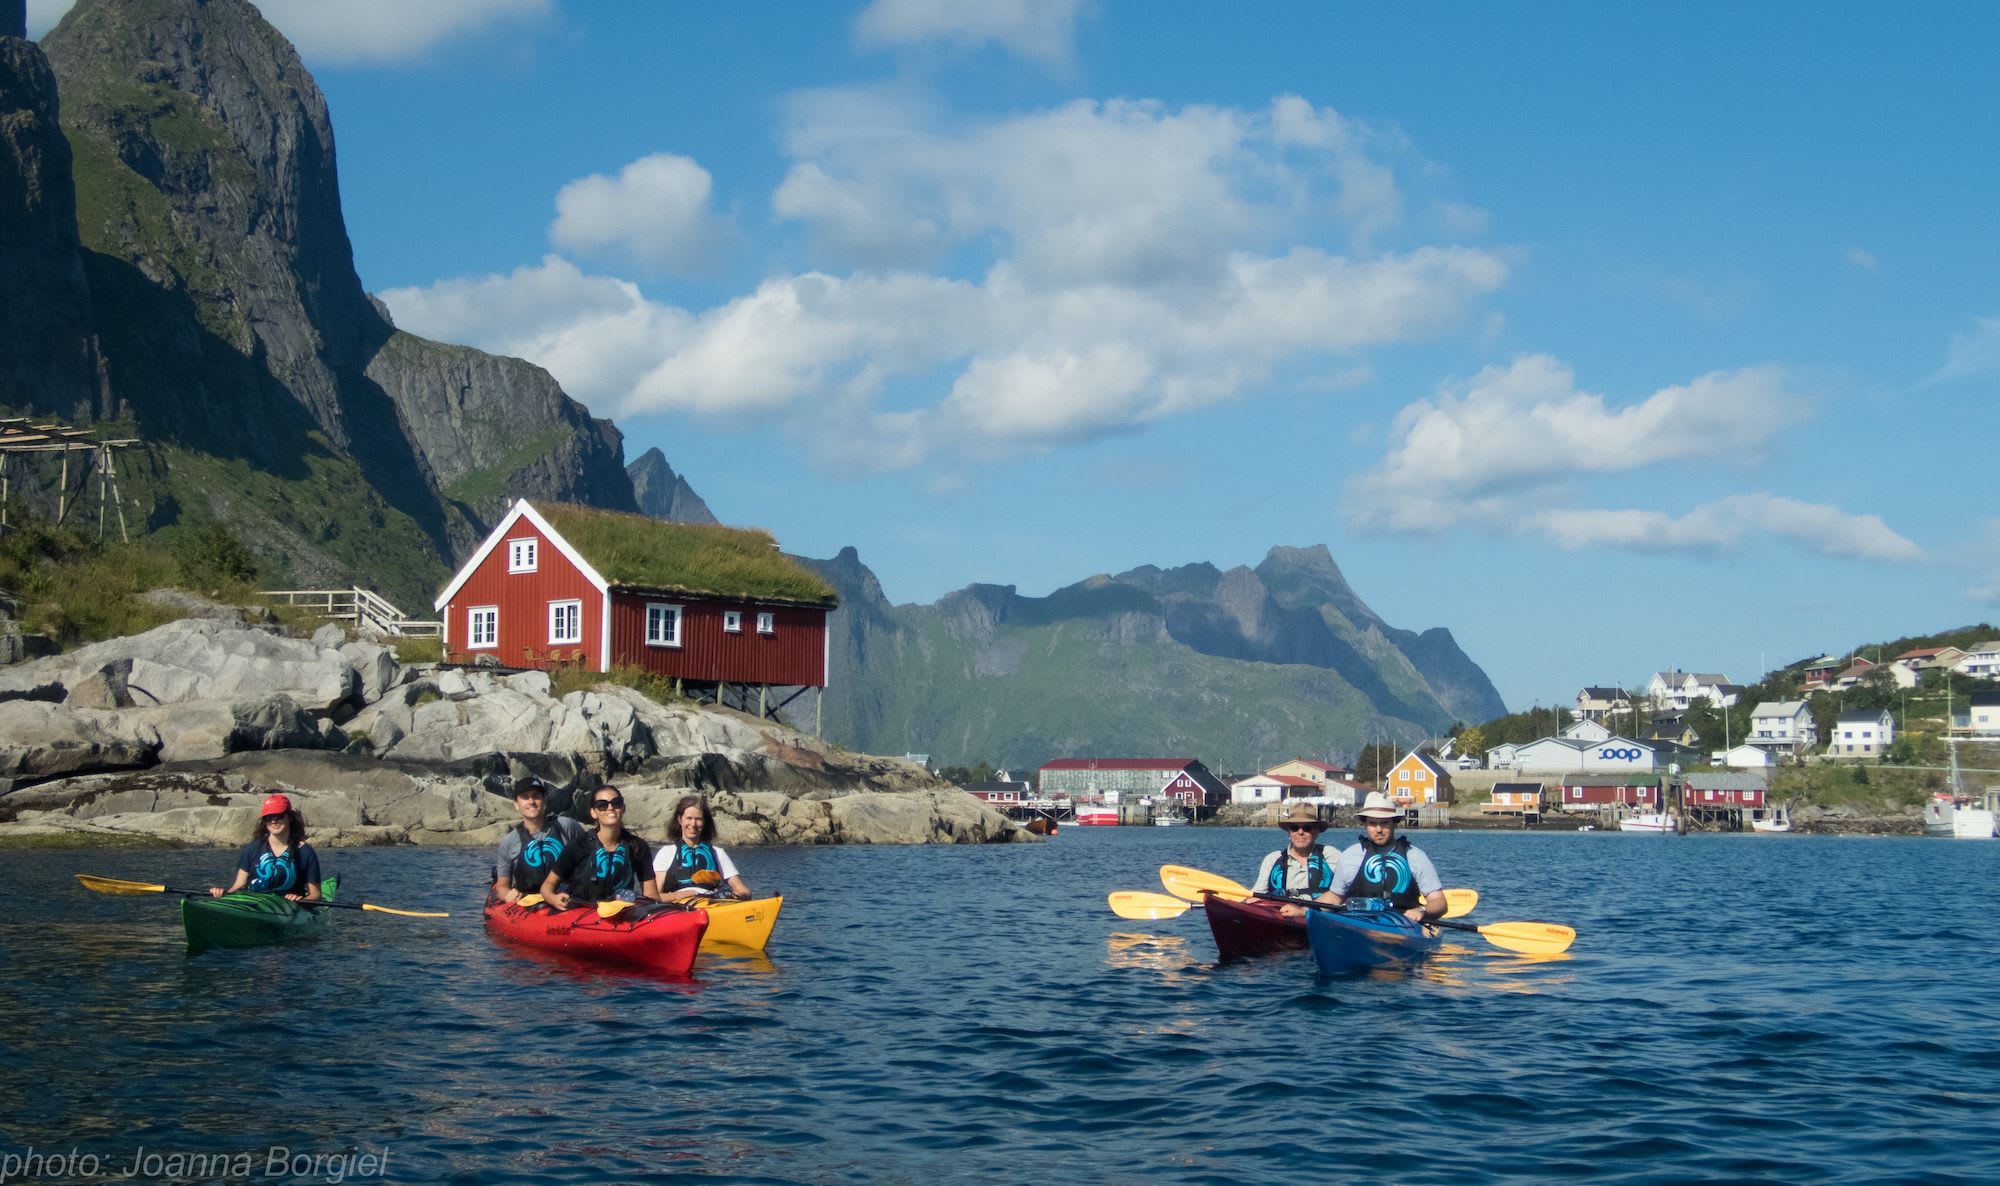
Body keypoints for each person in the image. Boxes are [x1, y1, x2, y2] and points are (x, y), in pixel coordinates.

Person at [1321, 791, 1447, 924]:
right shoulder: (1350, 855)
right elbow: (1335, 897)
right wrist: (1305, 911)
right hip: (1358, 923)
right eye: (1373, 823)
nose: (1379, 829)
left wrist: (1422, 910)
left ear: (1395, 823)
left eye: (1384, 823)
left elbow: (1439, 902)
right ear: (1365, 824)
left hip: (1404, 925)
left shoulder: (1415, 856)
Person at [540, 785, 659, 910]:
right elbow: (548, 885)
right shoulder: (578, 845)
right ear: (593, 812)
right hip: (581, 915)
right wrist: (552, 898)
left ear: (623, 808)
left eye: (616, 803)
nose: (610, 808)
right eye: (602, 805)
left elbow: (651, 895)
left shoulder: (638, 847)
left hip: (621, 914)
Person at [210, 793, 322, 902]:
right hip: (254, 904)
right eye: (268, 818)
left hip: (289, 908)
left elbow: (316, 895)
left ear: (290, 817)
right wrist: (222, 894)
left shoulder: (305, 852)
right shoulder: (253, 848)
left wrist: (300, 899)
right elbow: (238, 886)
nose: (273, 821)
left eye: (279, 816)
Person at [490, 776, 585, 903]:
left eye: (536, 796)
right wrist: (508, 894)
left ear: (544, 800)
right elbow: (502, 886)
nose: (531, 801)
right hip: (529, 904)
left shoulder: (568, 826)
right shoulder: (509, 842)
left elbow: (590, 860)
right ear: (516, 805)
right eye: (525, 797)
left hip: (568, 898)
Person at [653, 794, 752, 902]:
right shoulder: (666, 853)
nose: (693, 824)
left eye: (698, 819)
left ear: (704, 822)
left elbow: (741, 889)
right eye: (689, 818)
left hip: (711, 906)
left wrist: (743, 894)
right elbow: (654, 896)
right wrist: (678, 895)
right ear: (680, 820)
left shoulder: (718, 853)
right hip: (677, 908)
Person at [1256, 803, 1337, 920]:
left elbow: (1341, 894)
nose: (1300, 832)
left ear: (1316, 832)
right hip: (1281, 918)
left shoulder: (1330, 855)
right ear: (1289, 832)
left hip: (1318, 920)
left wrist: (1303, 912)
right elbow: (1258, 895)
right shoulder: (1273, 859)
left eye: (1306, 828)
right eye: (1294, 827)